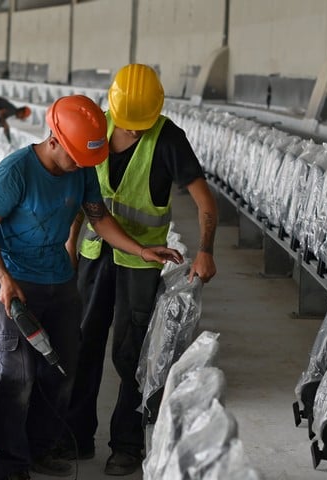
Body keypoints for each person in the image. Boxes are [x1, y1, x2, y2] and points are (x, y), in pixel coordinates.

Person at [0, 95, 182, 480]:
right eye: (73, 157)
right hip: (18, 286)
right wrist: (3, 279)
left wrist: (140, 249)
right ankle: (10, 466)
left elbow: (99, 218)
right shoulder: (15, 172)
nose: (80, 166)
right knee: (19, 378)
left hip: (60, 283)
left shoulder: (82, 169)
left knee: (62, 371)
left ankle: (40, 450)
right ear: (53, 140)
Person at [60, 64, 219, 476]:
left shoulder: (168, 139)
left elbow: (205, 202)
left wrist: (206, 250)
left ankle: (126, 445)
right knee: (84, 343)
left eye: (136, 126)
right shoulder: (99, 124)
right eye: (125, 124)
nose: (129, 132)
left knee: (130, 355)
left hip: (140, 263)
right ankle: (75, 435)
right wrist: (71, 240)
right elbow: (84, 188)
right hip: (95, 254)